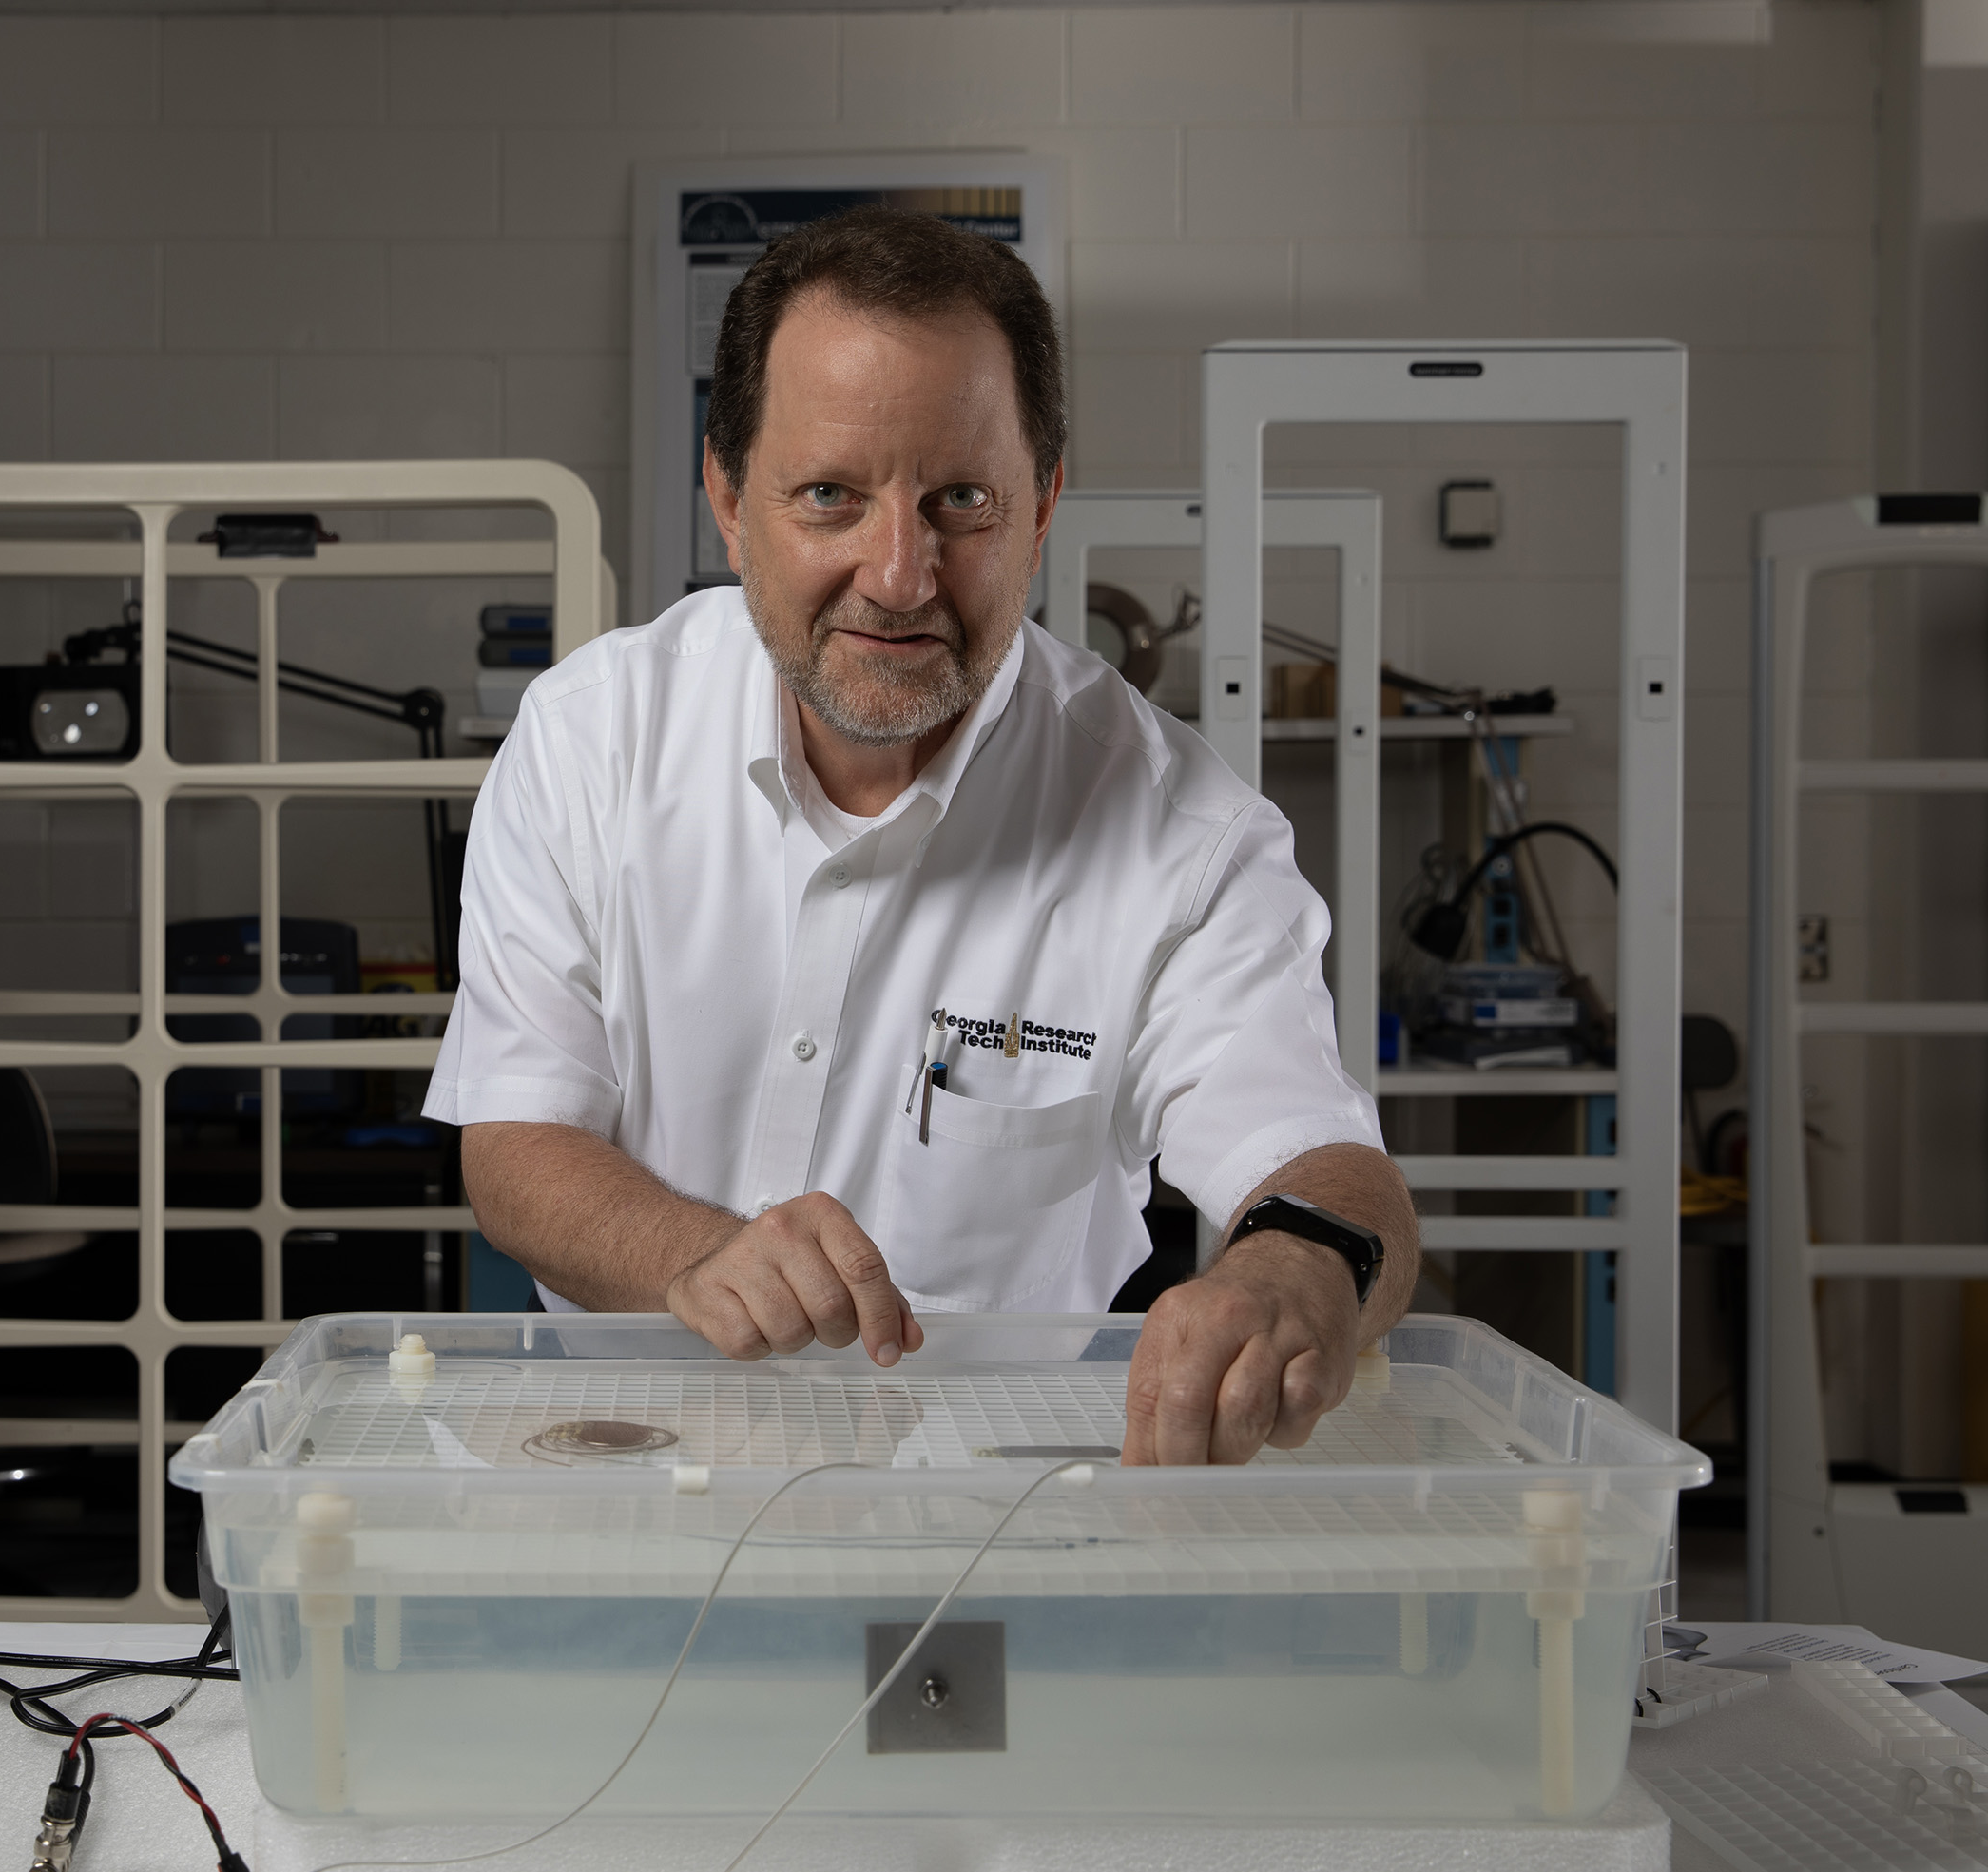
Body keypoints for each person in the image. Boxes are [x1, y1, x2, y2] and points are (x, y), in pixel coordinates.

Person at [424, 206, 1419, 1466]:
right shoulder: (587, 744)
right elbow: (517, 1142)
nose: (899, 574)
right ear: (730, 501)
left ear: (1044, 501)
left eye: (962, 501)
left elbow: (1325, 1166)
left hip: (993, 1517)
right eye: (830, 497)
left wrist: (1292, 1276)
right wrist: (701, 1258)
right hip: (624, 1471)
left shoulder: (1184, 834)